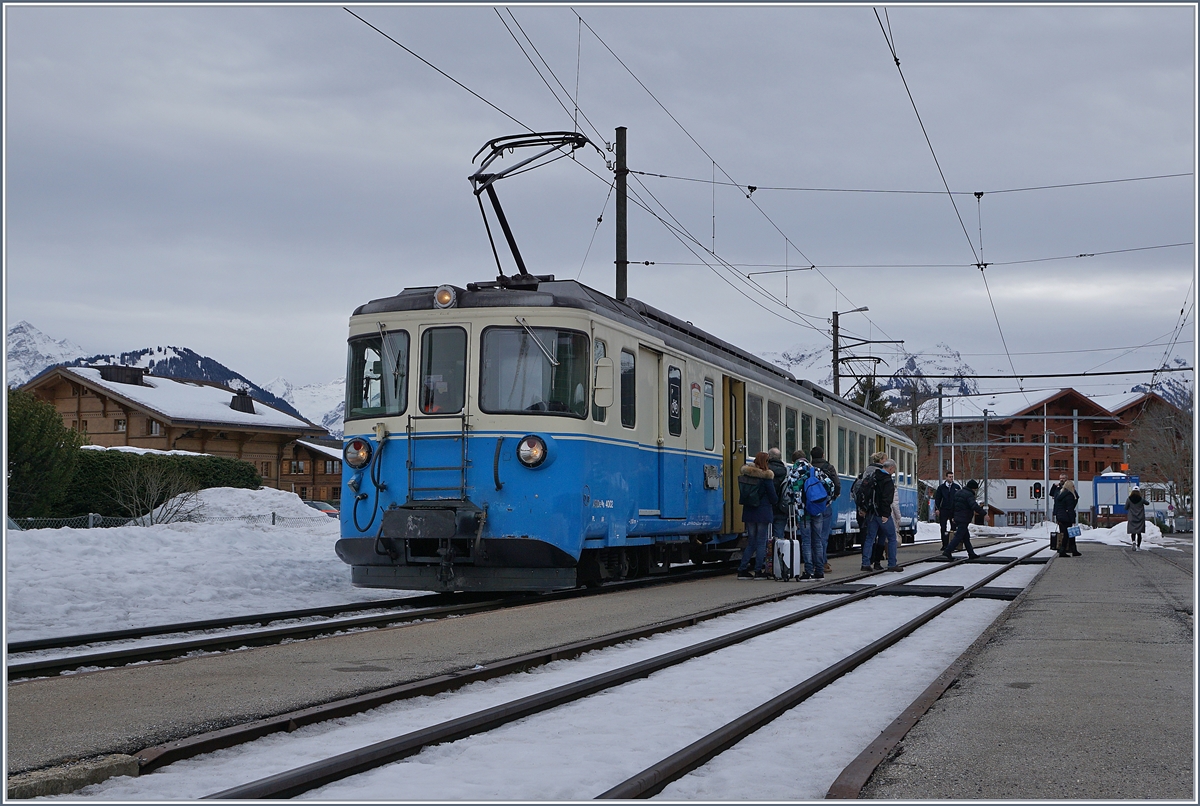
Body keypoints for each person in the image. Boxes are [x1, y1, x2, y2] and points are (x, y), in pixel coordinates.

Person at [787, 452, 834, 580]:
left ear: (794, 461)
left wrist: (797, 511)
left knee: (806, 542)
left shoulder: (794, 473)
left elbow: (790, 494)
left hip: (804, 513)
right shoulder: (816, 470)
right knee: (817, 541)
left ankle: (808, 571)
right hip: (817, 510)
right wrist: (825, 503)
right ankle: (819, 571)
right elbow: (831, 486)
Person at [737, 452, 778, 579]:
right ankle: (758, 570)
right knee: (761, 542)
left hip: (749, 512)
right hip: (763, 512)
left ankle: (742, 569)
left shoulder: (747, 475)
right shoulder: (766, 478)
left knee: (751, 542)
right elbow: (773, 498)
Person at [859, 453, 902, 572]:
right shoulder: (887, 481)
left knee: (870, 537)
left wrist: (864, 509)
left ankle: (866, 563)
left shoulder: (872, 477)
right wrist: (885, 515)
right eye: (894, 470)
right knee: (892, 537)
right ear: (891, 468)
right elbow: (887, 500)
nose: (893, 472)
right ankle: (892, 564)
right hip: (881, 514)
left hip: (871, 513)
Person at [809, 445, 841, 574]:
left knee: (813, 535)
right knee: (823, 536)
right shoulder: (829, 467)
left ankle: (816, 562)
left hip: (811, 504)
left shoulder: (809, 468)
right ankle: (821, 563)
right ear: (823, 455)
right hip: (825, 503)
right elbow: (836, 484)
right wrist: (833, 497)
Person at [944, 479, 985, 560]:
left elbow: (952, 505)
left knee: (966, 537)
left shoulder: (958, 492)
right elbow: (974, 506)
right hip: (964, 518)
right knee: (958, 536)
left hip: (957, 517)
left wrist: (952, 516)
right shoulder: (969, 495)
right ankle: (948, 551)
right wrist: (984, 513)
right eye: (975, 489)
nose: (975, 491)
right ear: (973, 488)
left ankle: (971, 553)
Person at [767, 448, 790, 548]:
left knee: (766, 537)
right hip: (782, 508)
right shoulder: (786, 471)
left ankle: (766, 560)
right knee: (779, 537)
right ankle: (778, 560)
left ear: (769, 457)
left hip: (767, 508)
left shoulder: (765, 470)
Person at [933, 470, 961, 550]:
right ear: (946, 477)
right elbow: (937, 499)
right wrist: (937, 509)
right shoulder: (941, 488)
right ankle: (944, 544)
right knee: (943, 527)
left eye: (952, 477)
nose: (951, 478)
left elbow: (959, 499)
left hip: (953, 510)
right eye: (950, 477)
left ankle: (953, 544)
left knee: (954, 527)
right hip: (944, 510)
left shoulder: (956, 487)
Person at [1054, 479, 1080, 557]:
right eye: (1073, 486)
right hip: (1066, 517)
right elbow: (1070, 508)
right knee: (1067, 534)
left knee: (1070, 533)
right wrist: (1072, 519)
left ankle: (1074, 550)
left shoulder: (1060, 494)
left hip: (1060, 516)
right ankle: (1063, 551)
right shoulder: (1069, 495)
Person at [1048, 472, 1069, 551]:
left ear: (1066, 479)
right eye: (1060, 478)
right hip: (1058, 511)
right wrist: (1054, 486)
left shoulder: (1068, 488)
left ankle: (1065, 547)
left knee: (1066, 530)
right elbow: (1051, 493)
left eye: (1063, 478)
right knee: (1062, 530)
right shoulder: (1057, 488)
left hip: (1065, 511)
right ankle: (1062, 546)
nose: (1061, 480)